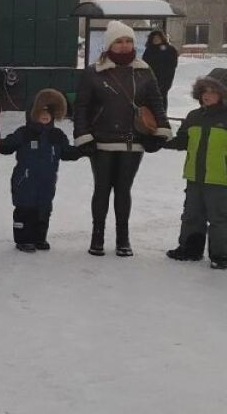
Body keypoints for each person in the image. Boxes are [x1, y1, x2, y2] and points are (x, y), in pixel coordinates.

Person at [73, 20, 172, 257]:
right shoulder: (94, 71)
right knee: (102, 189)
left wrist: (162, 129)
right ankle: (97, 237)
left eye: (128, 40)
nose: (124, 45)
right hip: (101, 141)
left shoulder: (144, 69)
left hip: (132, 139)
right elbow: (82, 107)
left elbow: (156, 102)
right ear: (109, 45)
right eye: (119, 41)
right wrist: (82, 135)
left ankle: (122, 239)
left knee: (123, 190)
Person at [164, 69, 227, 269]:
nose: (206, 95)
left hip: (220, 180)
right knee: (191, 215)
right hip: (194, 177)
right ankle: (190, 249)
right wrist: (160, 141)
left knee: (220, 218)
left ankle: (220, 255)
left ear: (225, 94)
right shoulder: (193, 116)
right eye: (204, 90)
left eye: (213, 91)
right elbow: (182, 142)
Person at [0, 89, 81, 252]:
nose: (45, 115)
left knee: (44, 210)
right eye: (41, 111)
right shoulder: (24, 133)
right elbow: (8, 145)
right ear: (32, 112)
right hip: (25, 181)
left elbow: (67, 152)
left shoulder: (57, 135)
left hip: (46, 183)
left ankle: (39, 238)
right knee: (25, 209)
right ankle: (23, 239)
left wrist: (83, 150)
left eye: (48, 112)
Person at [141, 29, 179, 112]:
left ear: (162, 38)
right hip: (149, 82)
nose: (156, 39)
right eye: (154, 38)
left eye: (158, 37)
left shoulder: (170, 50)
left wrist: (165, 84)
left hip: (163, 82)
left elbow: (172, 67)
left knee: (160, 105)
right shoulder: (149, 50)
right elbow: (144, 66)